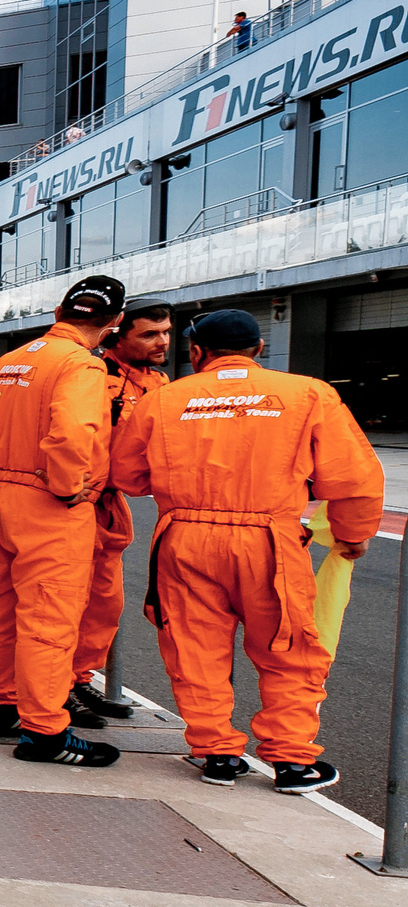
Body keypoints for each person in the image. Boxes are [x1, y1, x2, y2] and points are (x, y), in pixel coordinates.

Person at [110, 309, 385, 792]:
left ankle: (216, 753)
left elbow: (128, 476)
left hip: (185, 539)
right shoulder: (309, 394)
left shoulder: (165, 399)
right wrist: (351, 533)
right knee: (289, 648)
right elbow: (355, 477)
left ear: (196, 354)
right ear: (260, 350)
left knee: (194, 649)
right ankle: (293, 761)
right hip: (270, 540)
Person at [0, 274, 128, 765]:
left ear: (60, 311)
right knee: (49, 618)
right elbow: (73, 432)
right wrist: (69, 485)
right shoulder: (82, 365)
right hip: (49, 502)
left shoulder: (15, 359)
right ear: (114, 322)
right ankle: (45, 732)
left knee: (0, 607)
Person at [68, 301, 174, 721]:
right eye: (149, 334)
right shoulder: (92, 374)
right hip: (75, 501)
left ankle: (76, 680)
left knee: (103, 605)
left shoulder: (160, 383)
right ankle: (52, 692)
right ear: (116, 334)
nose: (162, 340)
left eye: (165, 331)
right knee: (64, 604)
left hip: (111, 504)